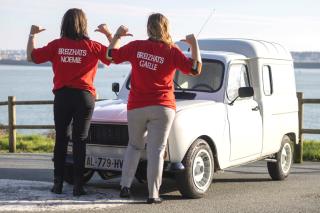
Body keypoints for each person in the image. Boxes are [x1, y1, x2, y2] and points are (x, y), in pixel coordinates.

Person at [106, 13, 202, 204]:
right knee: (156, 151)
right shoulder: (172, 51)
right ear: (166, 28)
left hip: (137, 106)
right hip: (163, 106)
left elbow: (110, 56)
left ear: (148, 27)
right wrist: (194, 45)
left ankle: (125, 187)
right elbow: (195, 69)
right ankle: (153, 194)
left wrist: (117, 35)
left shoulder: (136, 47)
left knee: (134, 146)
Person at [26, 8, 112, 196]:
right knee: (80, 141)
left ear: (64, 24)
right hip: (84, 96)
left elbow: (31, 57)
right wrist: (108, 34)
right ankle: (78, 186)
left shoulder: (57, 45)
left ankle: (57, 183)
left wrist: (32, 35)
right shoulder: (92, 46)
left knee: (61, 139)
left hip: (63, 96)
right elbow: (114, 56)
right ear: (84, 24)